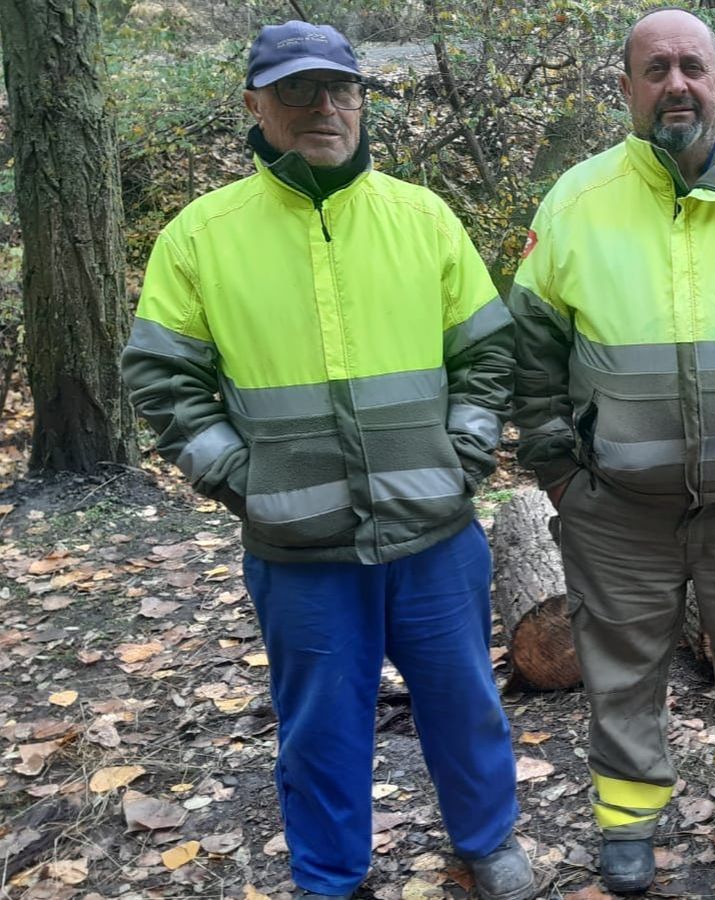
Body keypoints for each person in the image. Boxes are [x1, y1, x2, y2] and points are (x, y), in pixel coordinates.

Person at [120, 22, 540, 900]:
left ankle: (488, 842)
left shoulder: (421, 218)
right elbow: (163, 381)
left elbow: (488, 354)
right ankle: (330, 876)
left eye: (340, 89)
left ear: (361, 99)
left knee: (464, 705)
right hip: (298, 544)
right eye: (297, 91)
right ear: (254, 107)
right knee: (319, 725)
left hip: (435, 530)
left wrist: (461, 454)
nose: (324, 108)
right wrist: (245, 482)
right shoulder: (202, 236)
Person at [508, 8, 715, 894]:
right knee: (620, 667)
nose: (676, 85)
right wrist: (558, 472)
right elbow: (533, 353)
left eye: (692, 67)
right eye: (654, 70)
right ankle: (629, 817)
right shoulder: (576, 204)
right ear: (626, 88)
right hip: (617, 507)